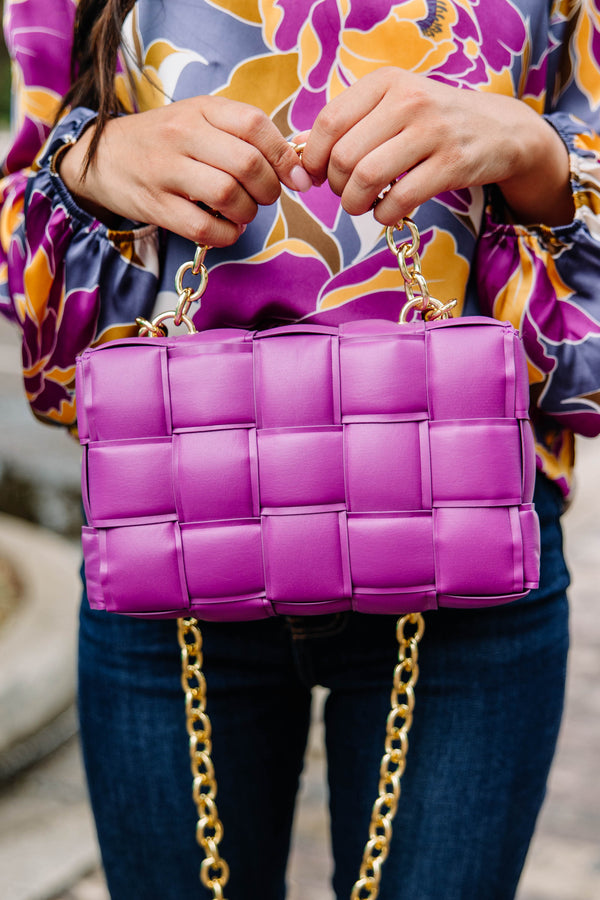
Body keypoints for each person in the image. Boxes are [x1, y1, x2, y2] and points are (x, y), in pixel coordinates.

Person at [1, 1, 599, 898]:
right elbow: (28, 290)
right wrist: (94, 163)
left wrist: (535, 156)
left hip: (462, 558)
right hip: (173, 547)